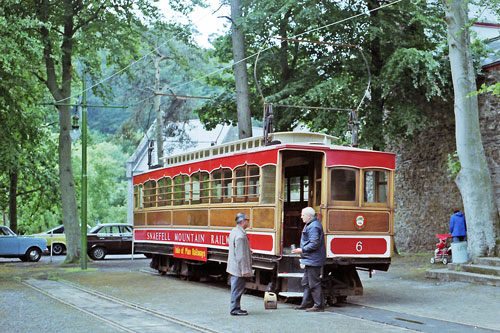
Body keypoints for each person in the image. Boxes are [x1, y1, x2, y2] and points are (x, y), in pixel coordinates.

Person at [291, 207, 326, 312]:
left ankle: (319, 305)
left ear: (309, 216)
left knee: (313, 283)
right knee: (306, 282)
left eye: (303, 215)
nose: (301, 217)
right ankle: (306, 303)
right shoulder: (312, 225)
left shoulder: (313, 226)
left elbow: (314, 243)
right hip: (311, 259)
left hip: (313, 260)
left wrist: (302, 250)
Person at [227, 213, 253, 316]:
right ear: (243, 221)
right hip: (238, 268)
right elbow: (240, 256)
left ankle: (236, 307)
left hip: (233, 266)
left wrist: (248, 250)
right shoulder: (241, 235)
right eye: (247, 220)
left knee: (236, 288)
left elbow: (236, 248)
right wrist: (244, 270)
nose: (248, 222)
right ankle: (234, 309)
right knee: (237, 289)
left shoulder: (234, 231)